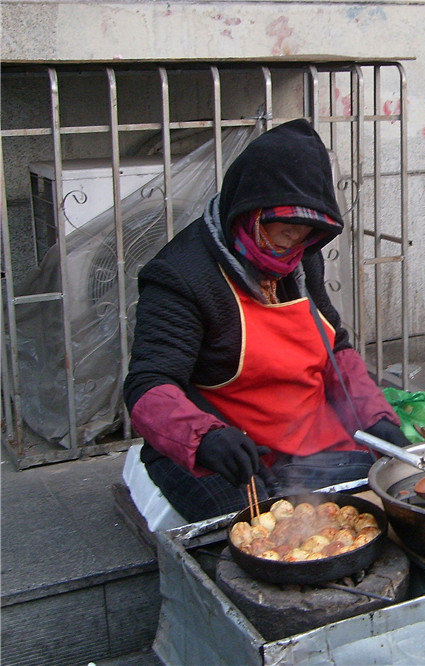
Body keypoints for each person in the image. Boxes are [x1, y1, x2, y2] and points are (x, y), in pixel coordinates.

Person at [123, 119, 410, 522]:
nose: (293, 242)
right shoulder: (180, 275)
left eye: (306, 231)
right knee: (256, 527)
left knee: (389, 488)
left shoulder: (300, 259)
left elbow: (335, 348)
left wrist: (376, 418)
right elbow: (148, 384)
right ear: (249, 211)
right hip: (227, 446)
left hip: (303, 435)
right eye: (285, 228)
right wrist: (204, 438)